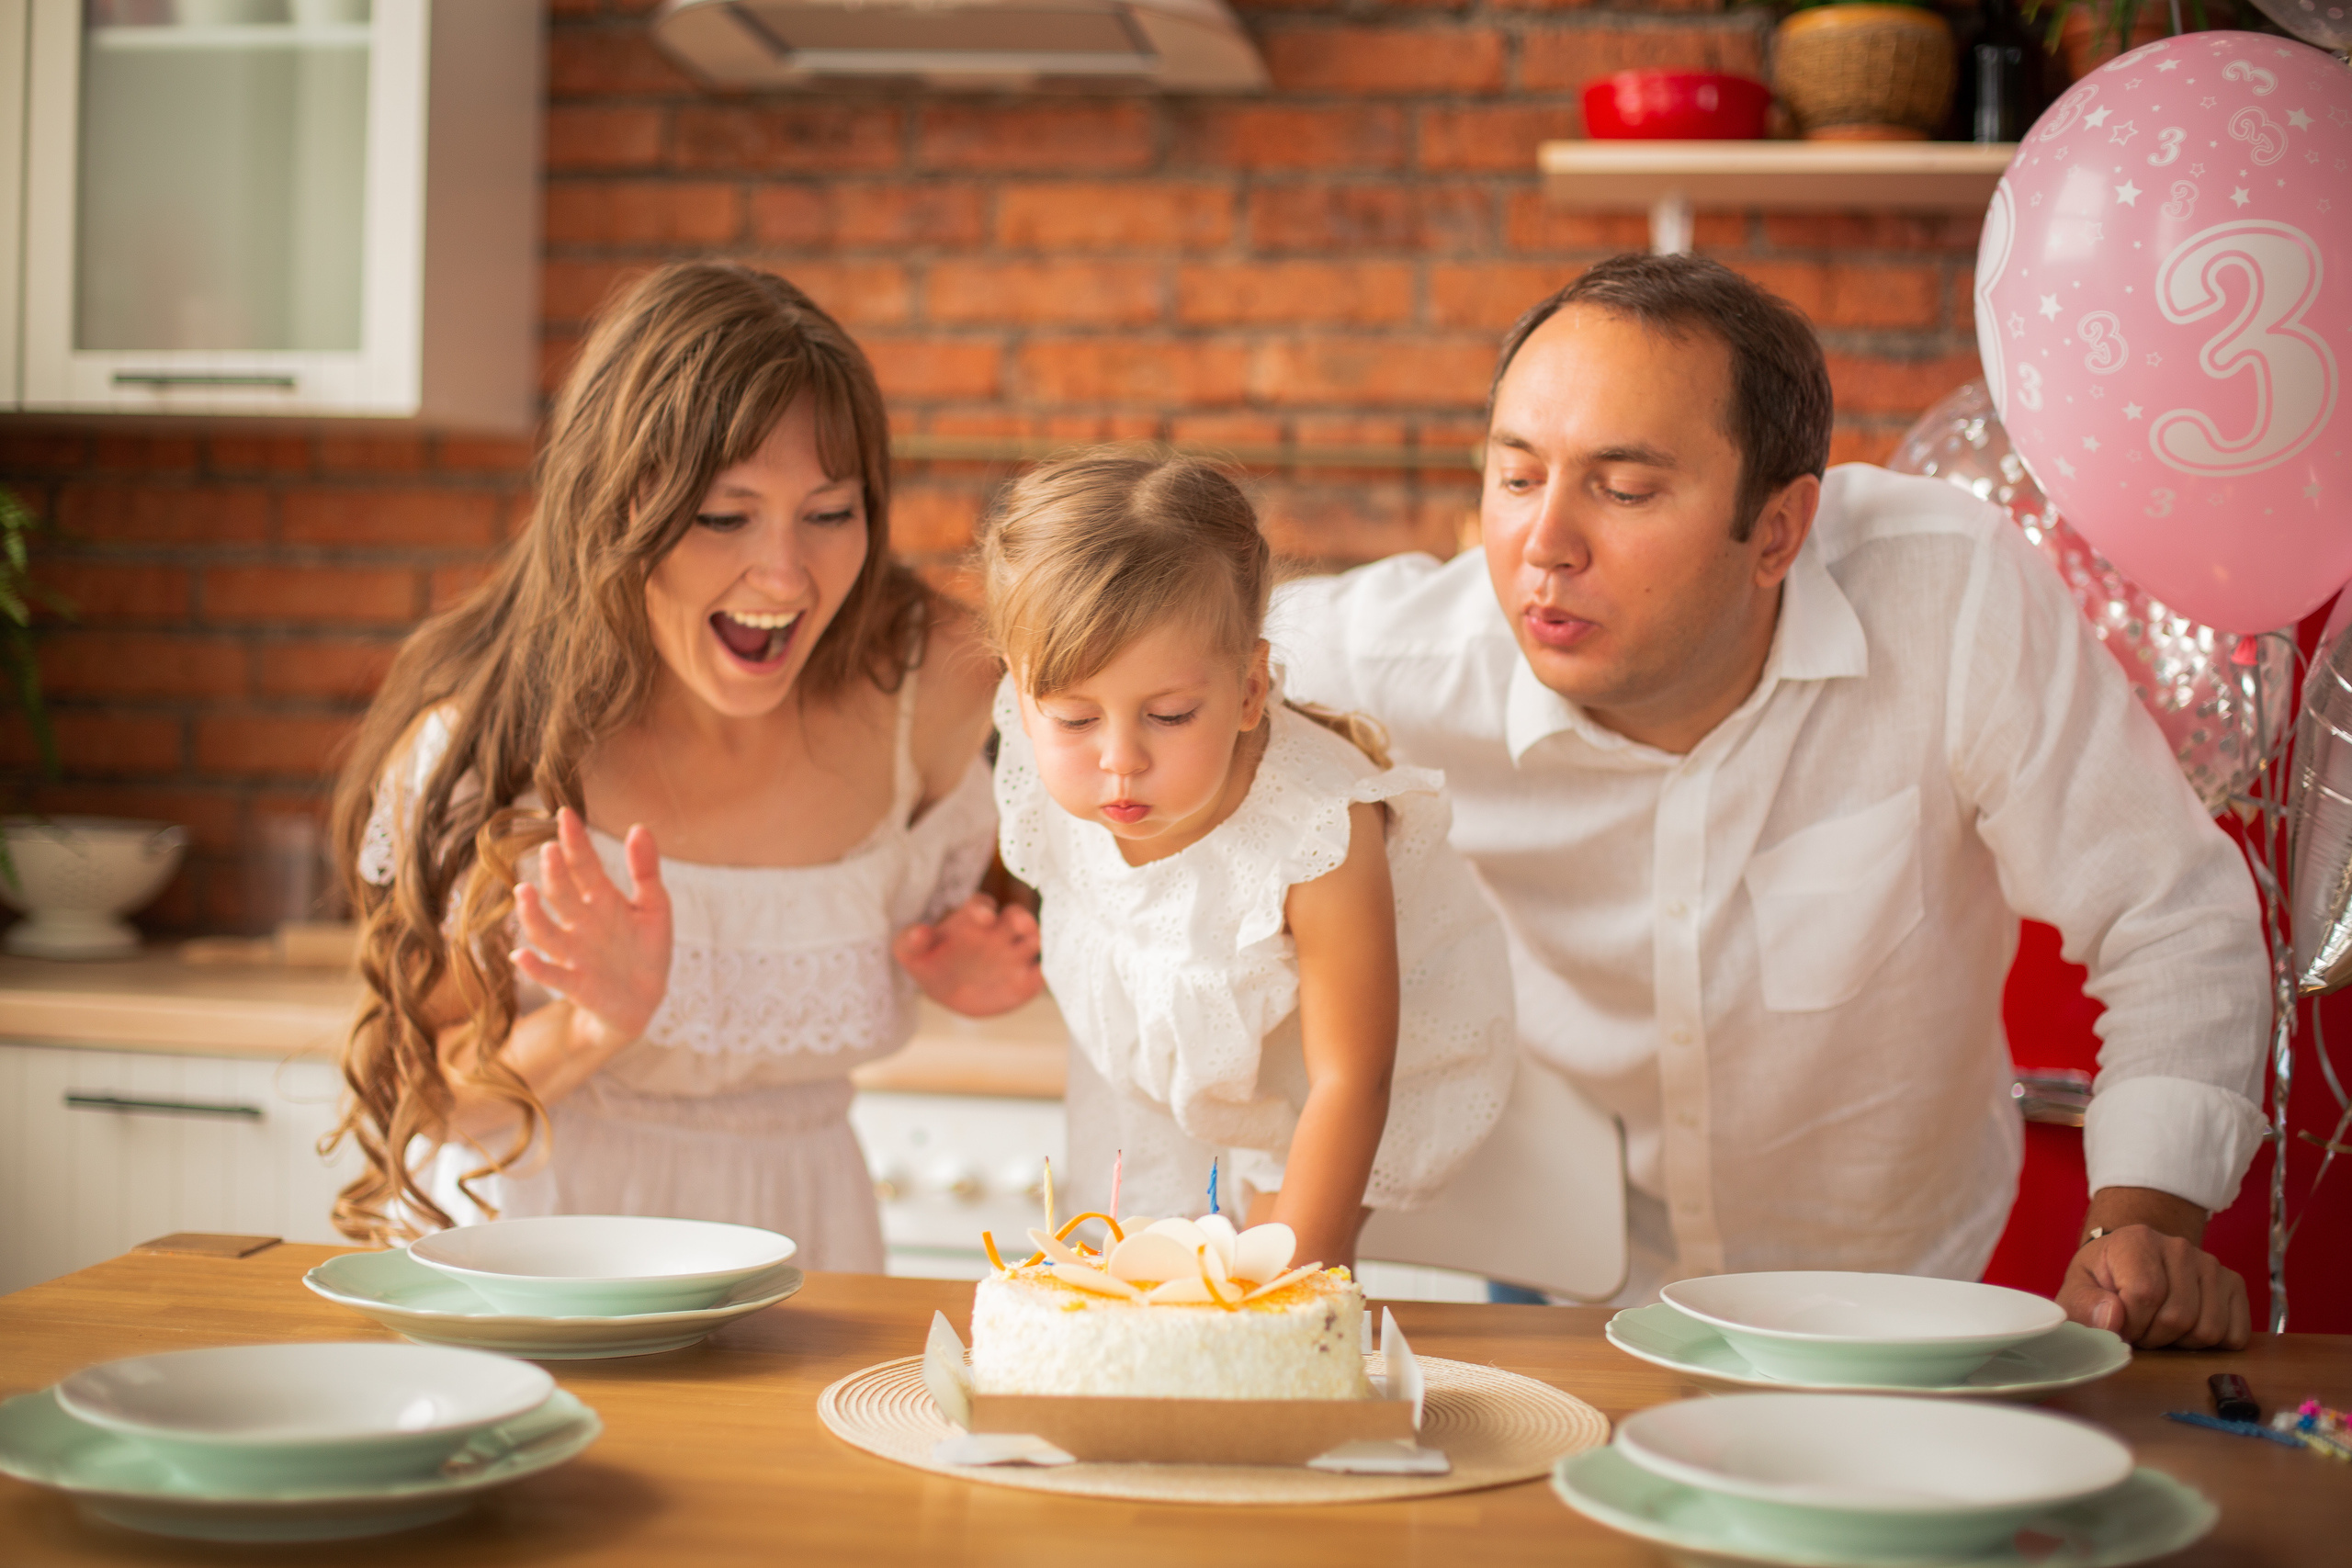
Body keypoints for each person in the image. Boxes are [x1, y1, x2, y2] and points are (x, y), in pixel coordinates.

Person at [1272, 254, 2268, 1347]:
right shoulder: (1400, 659)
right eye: (1517, 477)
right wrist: (1044, 888)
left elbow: (2169, 914)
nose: (1543, 547)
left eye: (1624, 488)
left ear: (1781, 532)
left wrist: (2144, 1220)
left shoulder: (1948, 593)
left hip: (1898, 1284)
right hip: (1576, 1287)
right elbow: (1114, 678)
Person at [328, 263, 1041, 1269]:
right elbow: (424, 1101)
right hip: (546, 1255)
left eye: (830, 514)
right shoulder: (489, 750)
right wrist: (593, 1025)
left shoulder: (935, 687)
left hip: (809, 1240)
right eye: (723, 516)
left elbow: (1185, 724)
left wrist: (982, 962)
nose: (786, 576)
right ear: (613, 508)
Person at [979, 452, 1517, 1268]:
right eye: (1074, 717)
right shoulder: (1044, 746)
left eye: (1168, 714)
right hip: (1171, 1069)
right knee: (1134, 1284)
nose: (1119, 760)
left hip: (1324, 1089)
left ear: (1249, 689)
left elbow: (1350, 1081)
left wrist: (1277, 1293)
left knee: (1248, 1284)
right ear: (1022, 695)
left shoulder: (1317, 834)